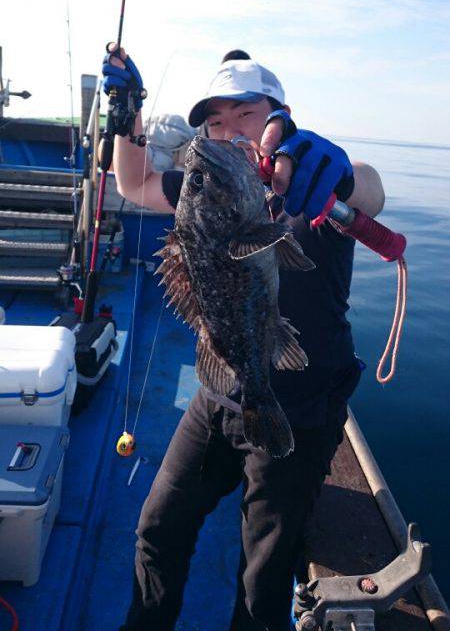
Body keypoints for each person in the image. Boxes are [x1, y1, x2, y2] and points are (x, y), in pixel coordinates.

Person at [103, 45, 385, 631]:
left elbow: (372, 192)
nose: (228, 132)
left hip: (301, 409)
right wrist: (127, 114)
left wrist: (342, 175)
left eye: (245, 116)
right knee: (157, 528)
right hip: (222, 390)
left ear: (279, 119)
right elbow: (133, 184)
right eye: (215, 121)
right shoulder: (209, 189)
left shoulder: (317, 182)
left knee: (263, 579)